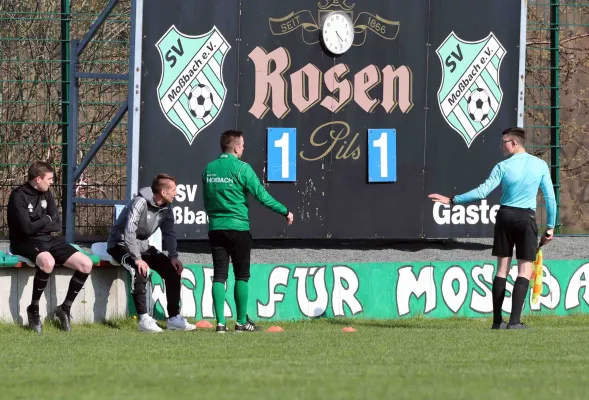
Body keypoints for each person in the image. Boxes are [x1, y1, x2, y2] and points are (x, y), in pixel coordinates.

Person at [429, 127, 556, 329]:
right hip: (526, 218)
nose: (501, 145)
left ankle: (497, 322)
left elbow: (482, 192)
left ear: (514, 143)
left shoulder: (502, 167)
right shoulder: (539, 165)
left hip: (505, 216)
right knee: (525, 269)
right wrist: (550, 227)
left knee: (502, 269)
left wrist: (453, 200)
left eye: (504, 141)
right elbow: (550, 198)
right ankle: (514, 322)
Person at [202, 130, 294, 333]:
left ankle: (219, 324)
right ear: (235, 147)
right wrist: (284, 211)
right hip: (239, 228)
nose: (243, 149)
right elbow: (261, 196)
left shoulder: (209, 169)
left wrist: (217, 217)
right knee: (241, 275)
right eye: (242, 145)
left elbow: (206, 202)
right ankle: (241, 322)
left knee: (219, 275)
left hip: (216, 228)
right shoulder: (242, 168)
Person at [7, 161, 94, 333]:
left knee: (86, 264)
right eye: (49, 179)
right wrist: (45, 220)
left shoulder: (47, 193)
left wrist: (41, 223)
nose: (51, 182)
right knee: (47, 262)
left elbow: (56, 223)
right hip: (24, 242)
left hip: (46, 239)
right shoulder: (18, 195)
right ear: (38, 179)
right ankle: (34, 309)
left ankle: (64, 309)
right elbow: (26, 229)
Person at [107, 173, 195, 333]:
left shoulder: (167, 208)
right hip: (119, 244)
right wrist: (137, 258)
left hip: (142, 246)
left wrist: (174, 256)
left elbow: (169, 233)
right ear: (163, 192)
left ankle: (174, 318)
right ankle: (144, 319)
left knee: (172, 270)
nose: (176, 193)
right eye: (174, 190)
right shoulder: (139, 202)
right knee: (138, 269)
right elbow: (129, 232)